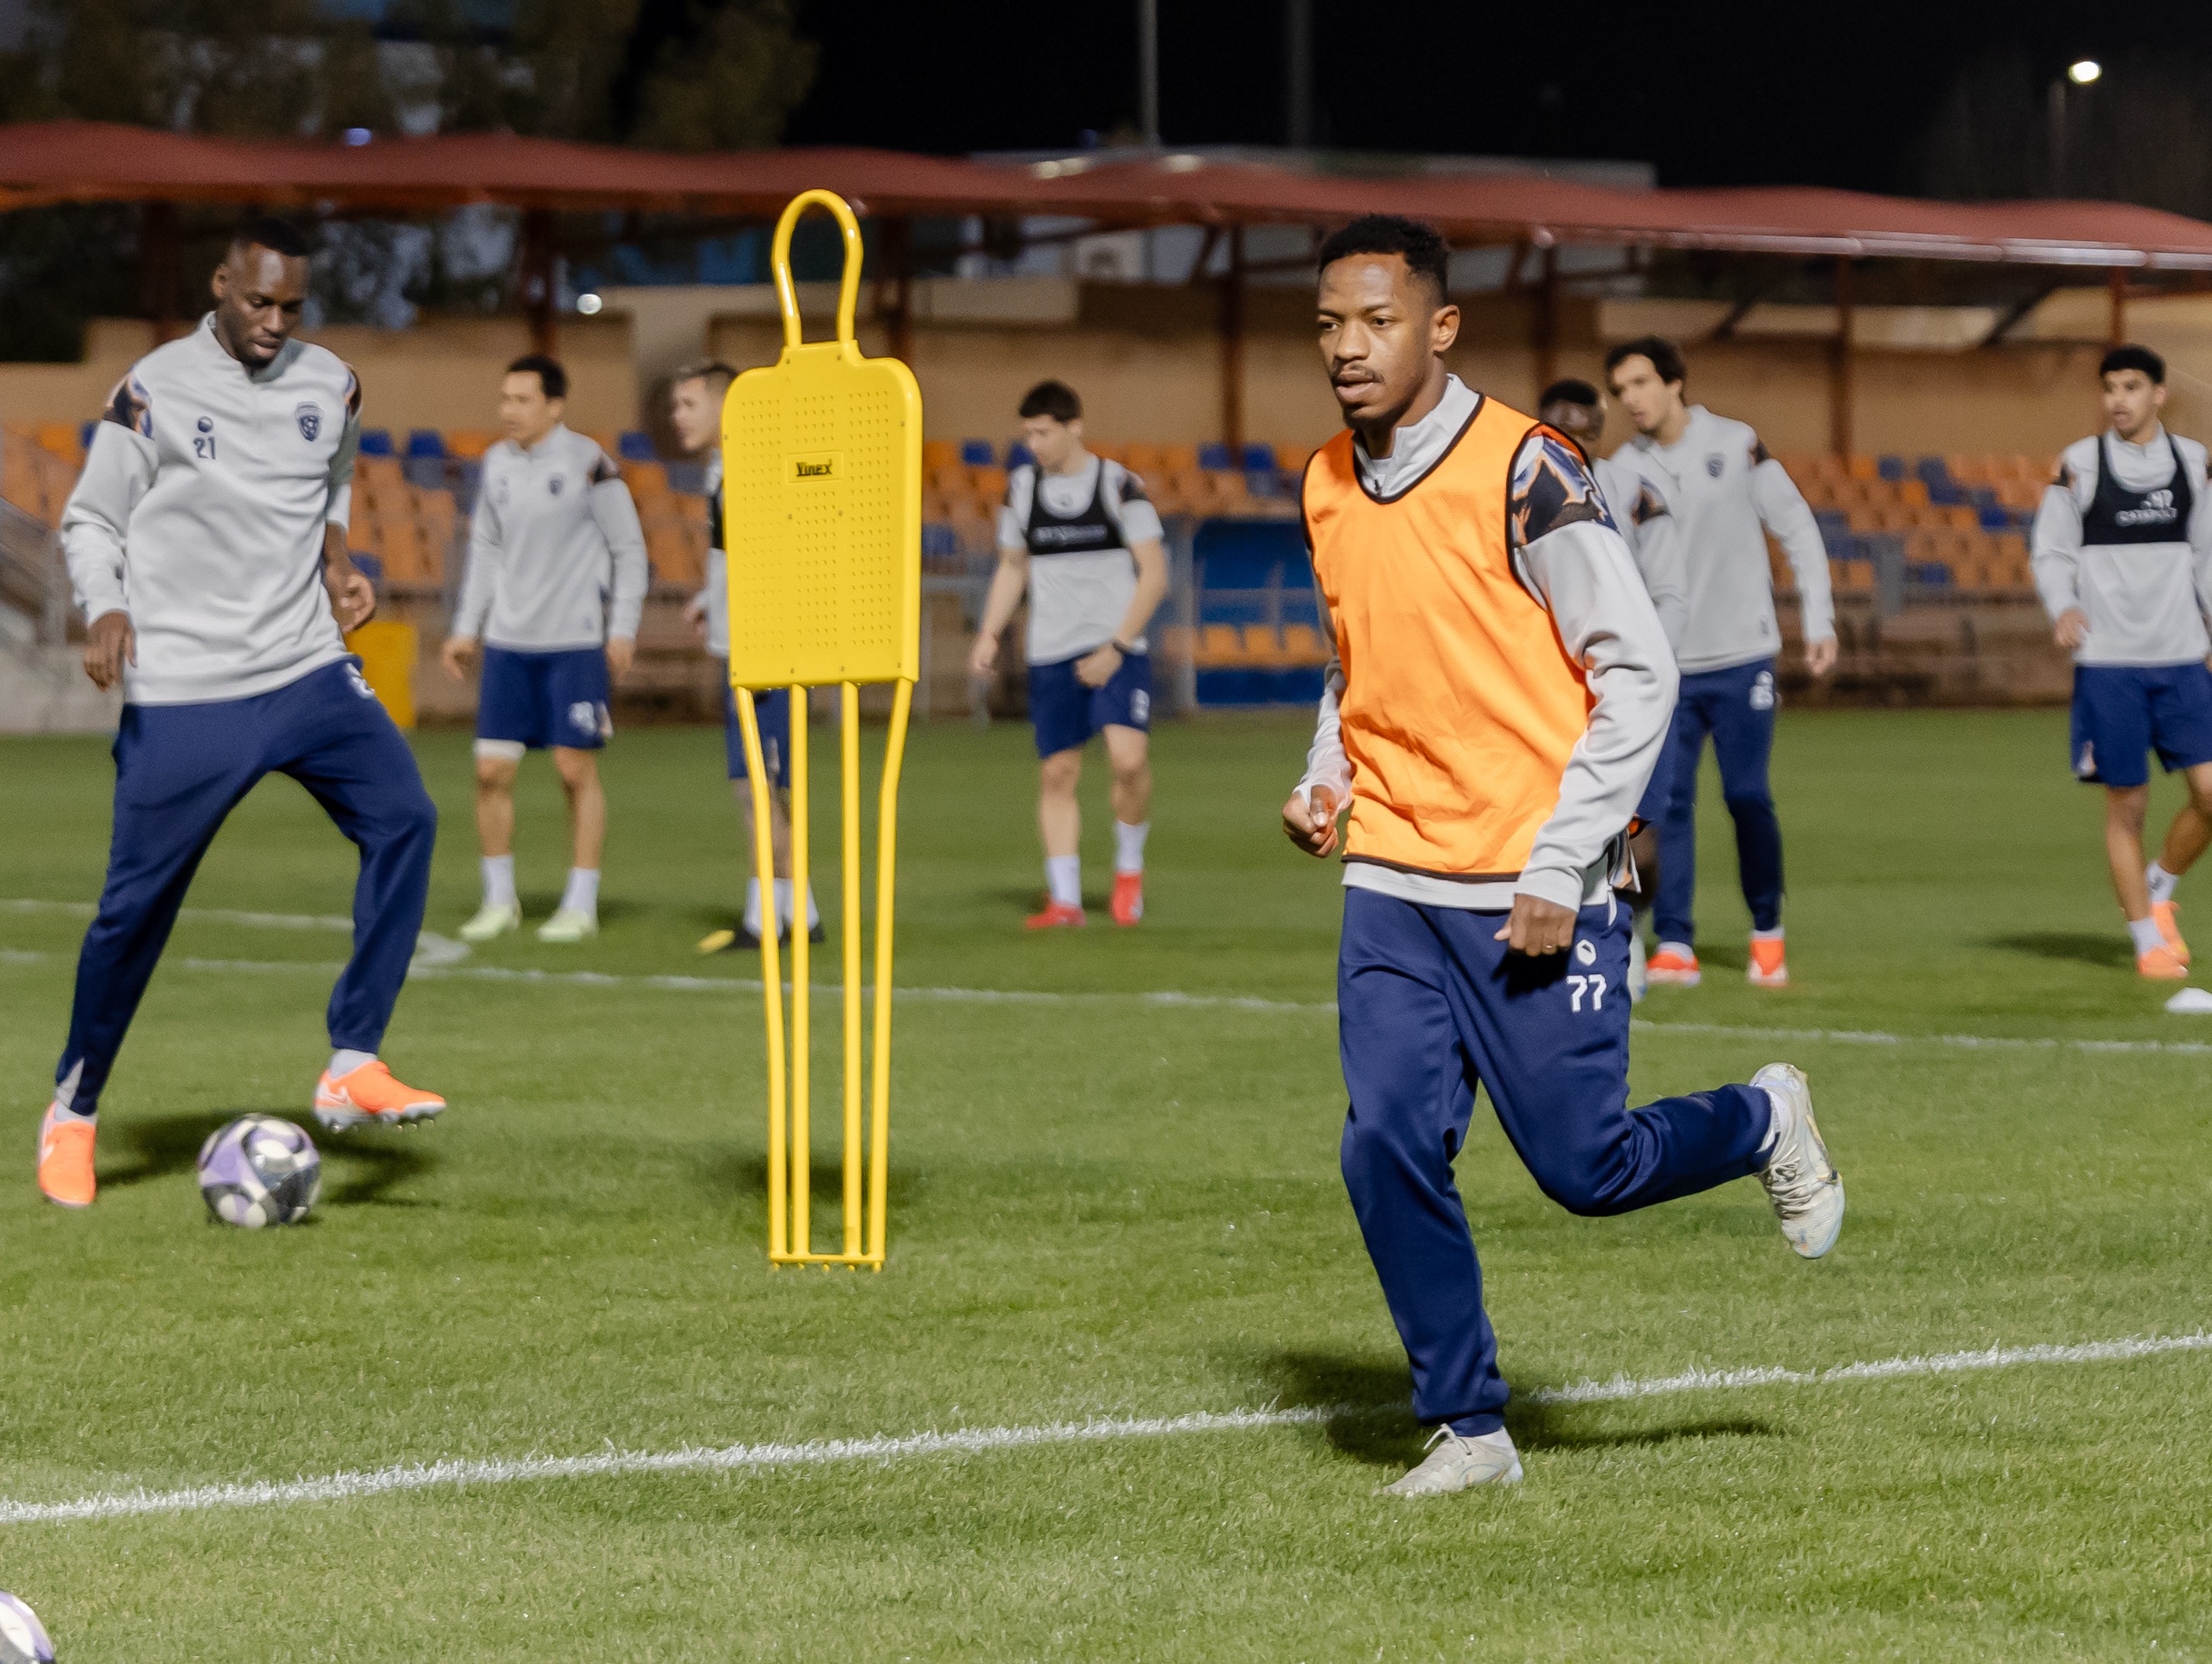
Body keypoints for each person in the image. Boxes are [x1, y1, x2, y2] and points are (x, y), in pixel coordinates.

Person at [1280, 214, 1841, 1496]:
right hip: (1393, 885)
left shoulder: (1528, 469)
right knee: (1384, 1144)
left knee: (1585, 1168)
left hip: (1539, 885)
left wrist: (1559, 861)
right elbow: (1355, 658)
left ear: (1439, 327)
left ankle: (1763, 1115)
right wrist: (1326, 776)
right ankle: (1468, 1425)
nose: (1347, 347)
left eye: (1375, 322)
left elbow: (1634, 667)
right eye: (1327, 324)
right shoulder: (1321, 479)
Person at [41, 216, 446, 1208]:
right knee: (133, 915)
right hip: (186, 689)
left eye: (291, 307)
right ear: (221, 284)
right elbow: (92, 519)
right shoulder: (152, 390)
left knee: (406, 817)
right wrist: (108, 607)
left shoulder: (332, 382)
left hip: (307, 668)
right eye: (257, 301)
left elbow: (331, 481)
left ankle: (352, 1058)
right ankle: (76, 1112)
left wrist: (340, 557)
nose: (274, 322)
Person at [1606, 336, 1836, 989]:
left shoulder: (1737, 445)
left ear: (1676, 381)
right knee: (1667, 805)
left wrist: (1818, 621)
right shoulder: (1623, 468)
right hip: (1668, 667)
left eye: (1642, 383)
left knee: (1746, 795)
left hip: (1743, 655)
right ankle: (1675, 942)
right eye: (1622, 390)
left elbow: (1795, 525)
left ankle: (1768, 930)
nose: (1632, 400)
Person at [442, 354, 648, 945]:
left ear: (555, 406)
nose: (509, 410)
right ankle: (499, 900)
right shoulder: (497, 464)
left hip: (574, 643)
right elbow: (485, 549)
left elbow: (629, 549)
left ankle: (580, 903)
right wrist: (466, 629)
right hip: (509, 644)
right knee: (490, 772)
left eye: (522, 399)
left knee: (573, 768)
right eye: (505, 398)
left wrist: (622, 628)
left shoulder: (590, 463)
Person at [2031, 343, 2212, 979]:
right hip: (2110, 666)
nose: (2119, 400)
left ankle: (2160, 885)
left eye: (2132, 387)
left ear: (2159, 394)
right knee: (2126, 807)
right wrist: (2062, 606)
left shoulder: (2193, 465)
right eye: (2111, 387)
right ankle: (2145, 943)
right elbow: (2050, 551)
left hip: (2183, 659)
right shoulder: (2079, 465)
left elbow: (2207, 557)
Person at [967, 382, 1169, 929]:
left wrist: (1117, 646)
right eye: (1027, 433)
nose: (1032, 443)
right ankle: (1066, 901)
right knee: (1057, 772)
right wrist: (989, 631)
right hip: (1050, 652)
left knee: (1129, 762)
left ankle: (1128, 870)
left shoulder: (1118, 485)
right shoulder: (1022, 490)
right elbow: (1013, 566)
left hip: (1116, 648)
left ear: (1073, 426)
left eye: (1042, 432)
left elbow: (1154, 574)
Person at [1537, 377, 1686, 1002]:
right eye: (1555, 425)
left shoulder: (1634, 492)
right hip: (1553, 694)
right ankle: (1600, 945)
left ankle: (1631, 928)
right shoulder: (1516, 489)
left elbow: (1671, 590)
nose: (1567, 437)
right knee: (1564, 821)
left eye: (1580, 427)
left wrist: (1651, 672)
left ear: (1600, 431)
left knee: (1639, 840)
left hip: (1630, 688)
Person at [667, 359, 819, 950]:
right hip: (749, 647)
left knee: (757, 788)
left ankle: (764, 921)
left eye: (688, 404)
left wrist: (764, 645)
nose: (678, 416)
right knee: (762, 788)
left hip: (767, 654)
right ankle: (800, 915)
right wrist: (713, 597)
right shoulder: (724, 470)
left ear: (726, 405)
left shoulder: (750, 470)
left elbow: (779, 561)